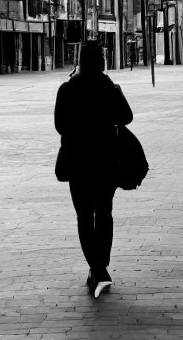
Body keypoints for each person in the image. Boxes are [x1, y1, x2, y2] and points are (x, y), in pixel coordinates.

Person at [54, 40, 133, 298]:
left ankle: (96, 268)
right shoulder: (109, 87)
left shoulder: (67, 89)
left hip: (78, 162)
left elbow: (60, 125)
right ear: (101, 61)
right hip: (107, 161)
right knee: (105, 213)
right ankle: (101, 266)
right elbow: (126, 118)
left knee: (85, 216)